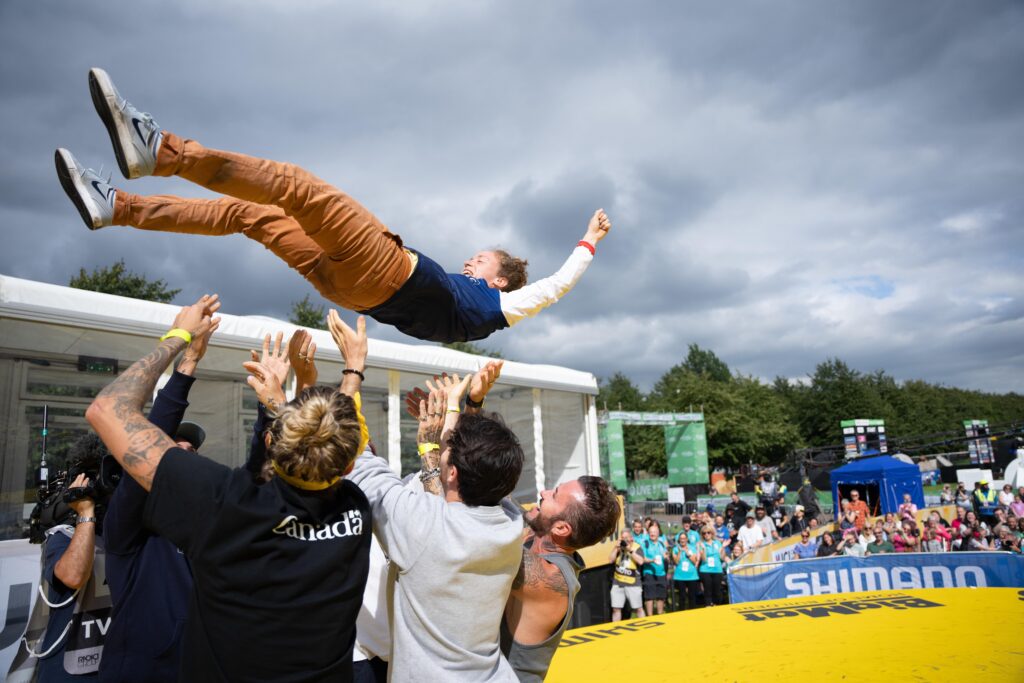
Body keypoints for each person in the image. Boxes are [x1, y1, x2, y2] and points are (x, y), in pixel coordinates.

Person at [56, 68, 611, 345]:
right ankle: (118, 207)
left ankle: (162, 150)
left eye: (480, 262)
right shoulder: (467, 311)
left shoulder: (501, 309)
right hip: (348, 288)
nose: (470, 264)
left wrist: (588, 238)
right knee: (248, 215)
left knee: (295, 186)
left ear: (504, 280)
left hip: (385, 270)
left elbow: (559, 285)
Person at [85, 294, 373, 681]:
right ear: (350, 465)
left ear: (271, 443)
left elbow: (107, 409)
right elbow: (339, 429)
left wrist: (180, 338)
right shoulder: (355, 507)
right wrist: (349, 370)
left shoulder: (225, 505)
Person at [341, 316, 526, 682]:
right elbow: (456, 480)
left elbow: (350, 448)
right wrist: (463, 409)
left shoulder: (422, 525)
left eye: (446, 449)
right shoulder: (510, 522)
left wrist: (354, 367)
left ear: (452, 471)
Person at [18, 436, 110, 682]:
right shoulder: (63, 534)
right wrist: (86, 512)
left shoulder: (122, 533)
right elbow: (72, 575)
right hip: (69, 670)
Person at [609, 530, 646, 622]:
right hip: (618, 582)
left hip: (633, 583)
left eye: (626, 538)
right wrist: (615, 548)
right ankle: (616, 629)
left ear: (631, 538)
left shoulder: (637, 547)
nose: (625, 540)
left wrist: (630, 550)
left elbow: (641, 561)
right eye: (623, 538)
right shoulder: (619, 548)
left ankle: (645, 626)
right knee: (616, 609)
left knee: (638, 608)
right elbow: (610, 560)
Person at [640, 521, 669, 616]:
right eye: (651, 532)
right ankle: (650, 616)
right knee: (650, 596)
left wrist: (666, 557)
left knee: (661, 596)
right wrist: (652, 561)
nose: (652, 534)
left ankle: (660, 614)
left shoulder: (661, 543)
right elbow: (642, 559)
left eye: (654, 532)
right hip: (649, 573)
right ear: (648, 533)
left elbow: (665, 555)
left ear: (658, 533)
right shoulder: (645, 543)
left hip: (661, 573)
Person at [696, 526, 726, 607]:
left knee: (717, 591)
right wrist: (702, 550)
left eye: (708, 532)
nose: (706, 535)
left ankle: (716, 607)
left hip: (717, 570)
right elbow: (704, 559)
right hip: (705, 570)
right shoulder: (700, 544)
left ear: (712, 533)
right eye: (704, 533)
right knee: (707, 590)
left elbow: (722, 558)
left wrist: (723, 547)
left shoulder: (717, 543)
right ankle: (708, 606)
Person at [671, 534, 701, 611]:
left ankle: (692, 613)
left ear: (687, 539)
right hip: (680, 576)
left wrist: (689, 554)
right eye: (681, 538)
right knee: (682, 596)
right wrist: (680, 552)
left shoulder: (692, 548)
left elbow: (695, 562)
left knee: (692, 596)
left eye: (684, 538)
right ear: (679, 540)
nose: (682, 540)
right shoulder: (675, 549)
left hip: (692, 576)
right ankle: (682, 613)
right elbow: (676, 562)